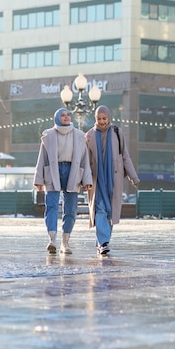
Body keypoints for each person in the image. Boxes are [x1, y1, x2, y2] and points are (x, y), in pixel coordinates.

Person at [34, 108, 92, 254]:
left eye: (68, 115)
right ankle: (52, 240)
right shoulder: (48, 135)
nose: (66, 117)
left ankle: (65, 242)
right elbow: (42, 158)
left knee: (71, 209)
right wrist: (38, 179)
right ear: (57, 118)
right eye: (62, 115)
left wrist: (87, 180)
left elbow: (85, 159)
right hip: (53, 171)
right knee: (51, 206)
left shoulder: (79, 135)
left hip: (72, 171)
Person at [86, 105, 139, 256]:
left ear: (109, 118)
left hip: (114, 179)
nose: (102, 122)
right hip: (97, 180)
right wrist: (84, 180)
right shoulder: (89, 135)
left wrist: (133, 176)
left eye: (104, 118)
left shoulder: (117, 132)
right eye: (98, 119)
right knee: (100, 209)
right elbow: (85, 161)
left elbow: (125, 156)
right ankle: (103, 242)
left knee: (111, 211)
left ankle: (102, 242)